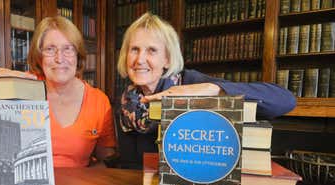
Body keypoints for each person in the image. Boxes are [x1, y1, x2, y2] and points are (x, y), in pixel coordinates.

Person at [116, 13, 296, 169]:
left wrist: (214, 88)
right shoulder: (128, 101)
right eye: (134, 49)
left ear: (168, 60)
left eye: (151, 50)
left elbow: (285, 101)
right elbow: (129, 165)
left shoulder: (193, 83)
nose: (139, 59)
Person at [28, 16, 116, 168]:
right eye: (50, 49)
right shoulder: (22, 90)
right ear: (39, 55)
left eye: (68, 48)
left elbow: (106, 161)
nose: (59, 58)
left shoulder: (98, 101)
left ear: (78, 55)